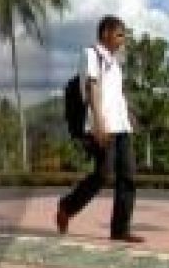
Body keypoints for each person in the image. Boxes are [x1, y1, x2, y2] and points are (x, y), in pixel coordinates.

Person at [56, 15, 144, 243]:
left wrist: (129, 117)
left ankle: (120, 230)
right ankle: (67, 206)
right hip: (102, 125)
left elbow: (117, 95)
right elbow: (92, 87)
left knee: (128, 176)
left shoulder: (115, 63)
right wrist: (99, 122)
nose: (122, 40)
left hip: (121, 126)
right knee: (103, 175)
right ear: (105, 33)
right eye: (119, 34)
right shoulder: (91, 54)